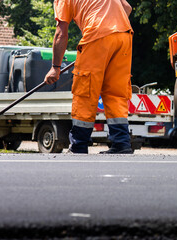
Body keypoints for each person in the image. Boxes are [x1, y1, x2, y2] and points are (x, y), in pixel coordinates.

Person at [44, 0, 134, 154]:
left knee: (85, 91)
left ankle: (79, 145)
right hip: (124, 35)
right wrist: (109, 29)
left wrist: (55, 67)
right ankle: (121, 143)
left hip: (97, 34)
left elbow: (61, 32)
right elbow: (127, 8)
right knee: (116, 93)